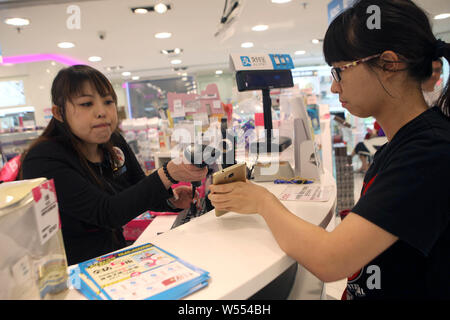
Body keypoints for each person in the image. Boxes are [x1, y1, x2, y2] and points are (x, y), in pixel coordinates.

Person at [209, 0, 450, 299]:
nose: (335, 88)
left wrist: (263, 203)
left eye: (340, 71)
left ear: (389, 64)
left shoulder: (430, 151)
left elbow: (331, 259)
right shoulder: (405, 144)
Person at [21, 65, 207, 265]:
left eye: (108, 101)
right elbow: (106, 213)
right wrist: (168, 174)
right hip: (71, 271)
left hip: (113, 258)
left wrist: (170, 201)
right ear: (58, 113)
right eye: (86, 104)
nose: (102, 112)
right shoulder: (43, 159)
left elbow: (136, 188)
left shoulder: (113, 142)